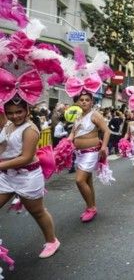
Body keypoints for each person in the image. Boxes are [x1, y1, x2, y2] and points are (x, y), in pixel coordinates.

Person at [0, 98, 61, 258]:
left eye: (19, 111)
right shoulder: (7, 124)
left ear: (27, 109)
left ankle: (52, 241)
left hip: (27, 177)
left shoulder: (30, 129)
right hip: (6, 176)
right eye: (10, 113)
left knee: (38, 211)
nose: (15, 116)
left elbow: (26, 157)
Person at [68, 92, 110, 222]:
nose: (84, 102)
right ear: (77, 102)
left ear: (92, 102)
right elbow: (72, 134)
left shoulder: (95, 115)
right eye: (81, 100)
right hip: (79, 154)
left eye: (87, 100)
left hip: (91, 153)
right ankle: (90, 206)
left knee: (80, 180)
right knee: (87, 181)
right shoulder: (78, 117)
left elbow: (107, 131)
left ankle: (91, 208)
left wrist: (103, 147)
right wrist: (65, 145)